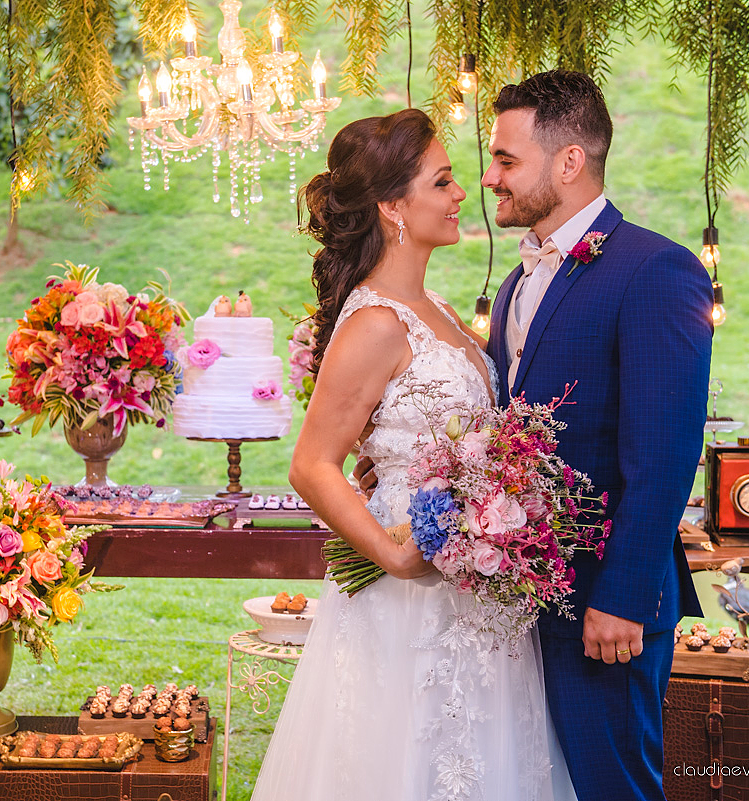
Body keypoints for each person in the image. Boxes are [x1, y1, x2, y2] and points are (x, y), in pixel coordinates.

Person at [251, 108, 576, 801]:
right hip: (409, 599)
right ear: (393, 206)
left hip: (479, 596)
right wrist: (392, 551)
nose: (465, 194)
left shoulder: (441, 308)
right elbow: (311, 463)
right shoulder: (374, 322)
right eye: (444, 181)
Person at [481, 70, 712, 800]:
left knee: (613, 786)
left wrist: (622, 596)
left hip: (603, 605)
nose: (489, 177)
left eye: (506, 160)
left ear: (569, 161)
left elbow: (665, 455)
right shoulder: (519, 283)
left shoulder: (658, 270)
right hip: (524, 600)